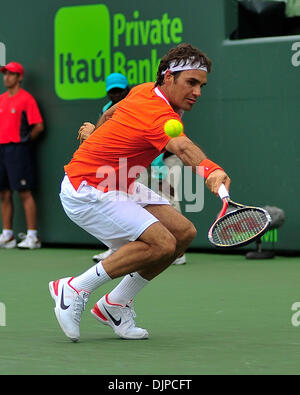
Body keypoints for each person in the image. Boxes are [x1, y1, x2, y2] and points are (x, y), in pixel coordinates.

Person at [49, 43, 231, 342]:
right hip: (87, 188)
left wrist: (94, 133)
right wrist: (211, 171)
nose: (198, 91)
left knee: (182, 233)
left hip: (119, 183)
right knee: (160, 244)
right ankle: (73, 288)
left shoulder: (146, 89)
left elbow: (112, 114)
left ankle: (114, 305)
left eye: (202, 85)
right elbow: (183, 148)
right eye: (191, 83)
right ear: (168, 78)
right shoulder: (157, 113)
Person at [79, 74, 186, 265]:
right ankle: (119, 248)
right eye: (112, 92)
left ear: (128, 89)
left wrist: (158, 168)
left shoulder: (149, 103)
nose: (116, 95)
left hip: (165, 158)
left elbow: (160, 138)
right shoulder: (107, 110)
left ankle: (178, 250)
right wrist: (91, 135)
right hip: (135, 163)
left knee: (168, 198)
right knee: (126, 201)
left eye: (120, 90)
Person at [0, 62, 44, 249]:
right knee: (4, 193)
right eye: (5, 74)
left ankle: (32, 236)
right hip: (2, 150)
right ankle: (8, 235)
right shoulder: (1, 99)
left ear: (20, 77)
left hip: (19, 150)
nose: (6, 77)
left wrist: (24, 141)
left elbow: (38, 126)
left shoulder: (27, 99)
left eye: (11, 74)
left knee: (24, 192)